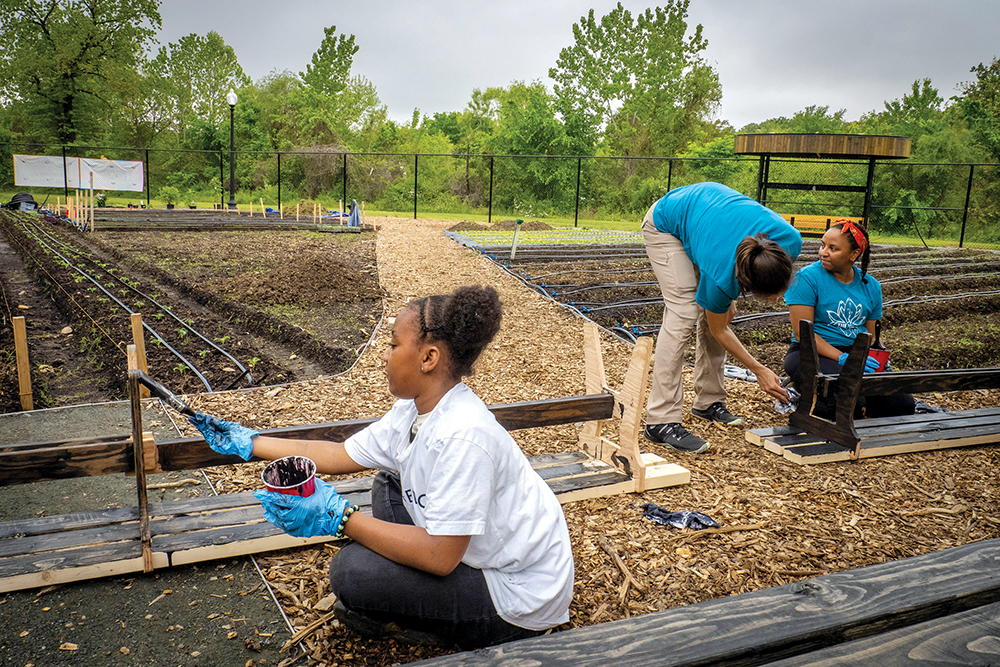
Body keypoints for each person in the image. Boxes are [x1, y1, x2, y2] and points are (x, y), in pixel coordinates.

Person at [188, 286, 574, 649]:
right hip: (472, 549)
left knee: (351, 573)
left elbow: (441, 557)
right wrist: (249, 443)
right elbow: (339, 455)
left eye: (392, 345)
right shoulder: (413, 409)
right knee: (389, 482)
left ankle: (441, 625)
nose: (384, 355)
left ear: (428, 358)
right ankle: (414, 583)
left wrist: (341, 518)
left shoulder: (464, 436)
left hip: (519, 592)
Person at [642, 182, 803, 454]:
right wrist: (759, 369)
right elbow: (720, 330)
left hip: (708, 220)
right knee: (683, 311)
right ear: (745, 283)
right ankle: (661, 420)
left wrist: (724, 301)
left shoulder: (790, 241)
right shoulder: (722, 277)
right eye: (771, 295)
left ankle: (708, 401)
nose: (777, 300)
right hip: (667, 222)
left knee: (714, 309)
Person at [783, 219, 915, 419]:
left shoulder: (870, 286)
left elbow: (871, 335)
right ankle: (804, 389)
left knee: (901, 405)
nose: (823, 252)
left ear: (854, 255)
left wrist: (879, 358)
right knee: (845, 403)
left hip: (854, 356)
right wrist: (841, 358)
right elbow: (802, 334)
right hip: (810, 353)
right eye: (823, 245)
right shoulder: (806, 279)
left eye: (833, 248)